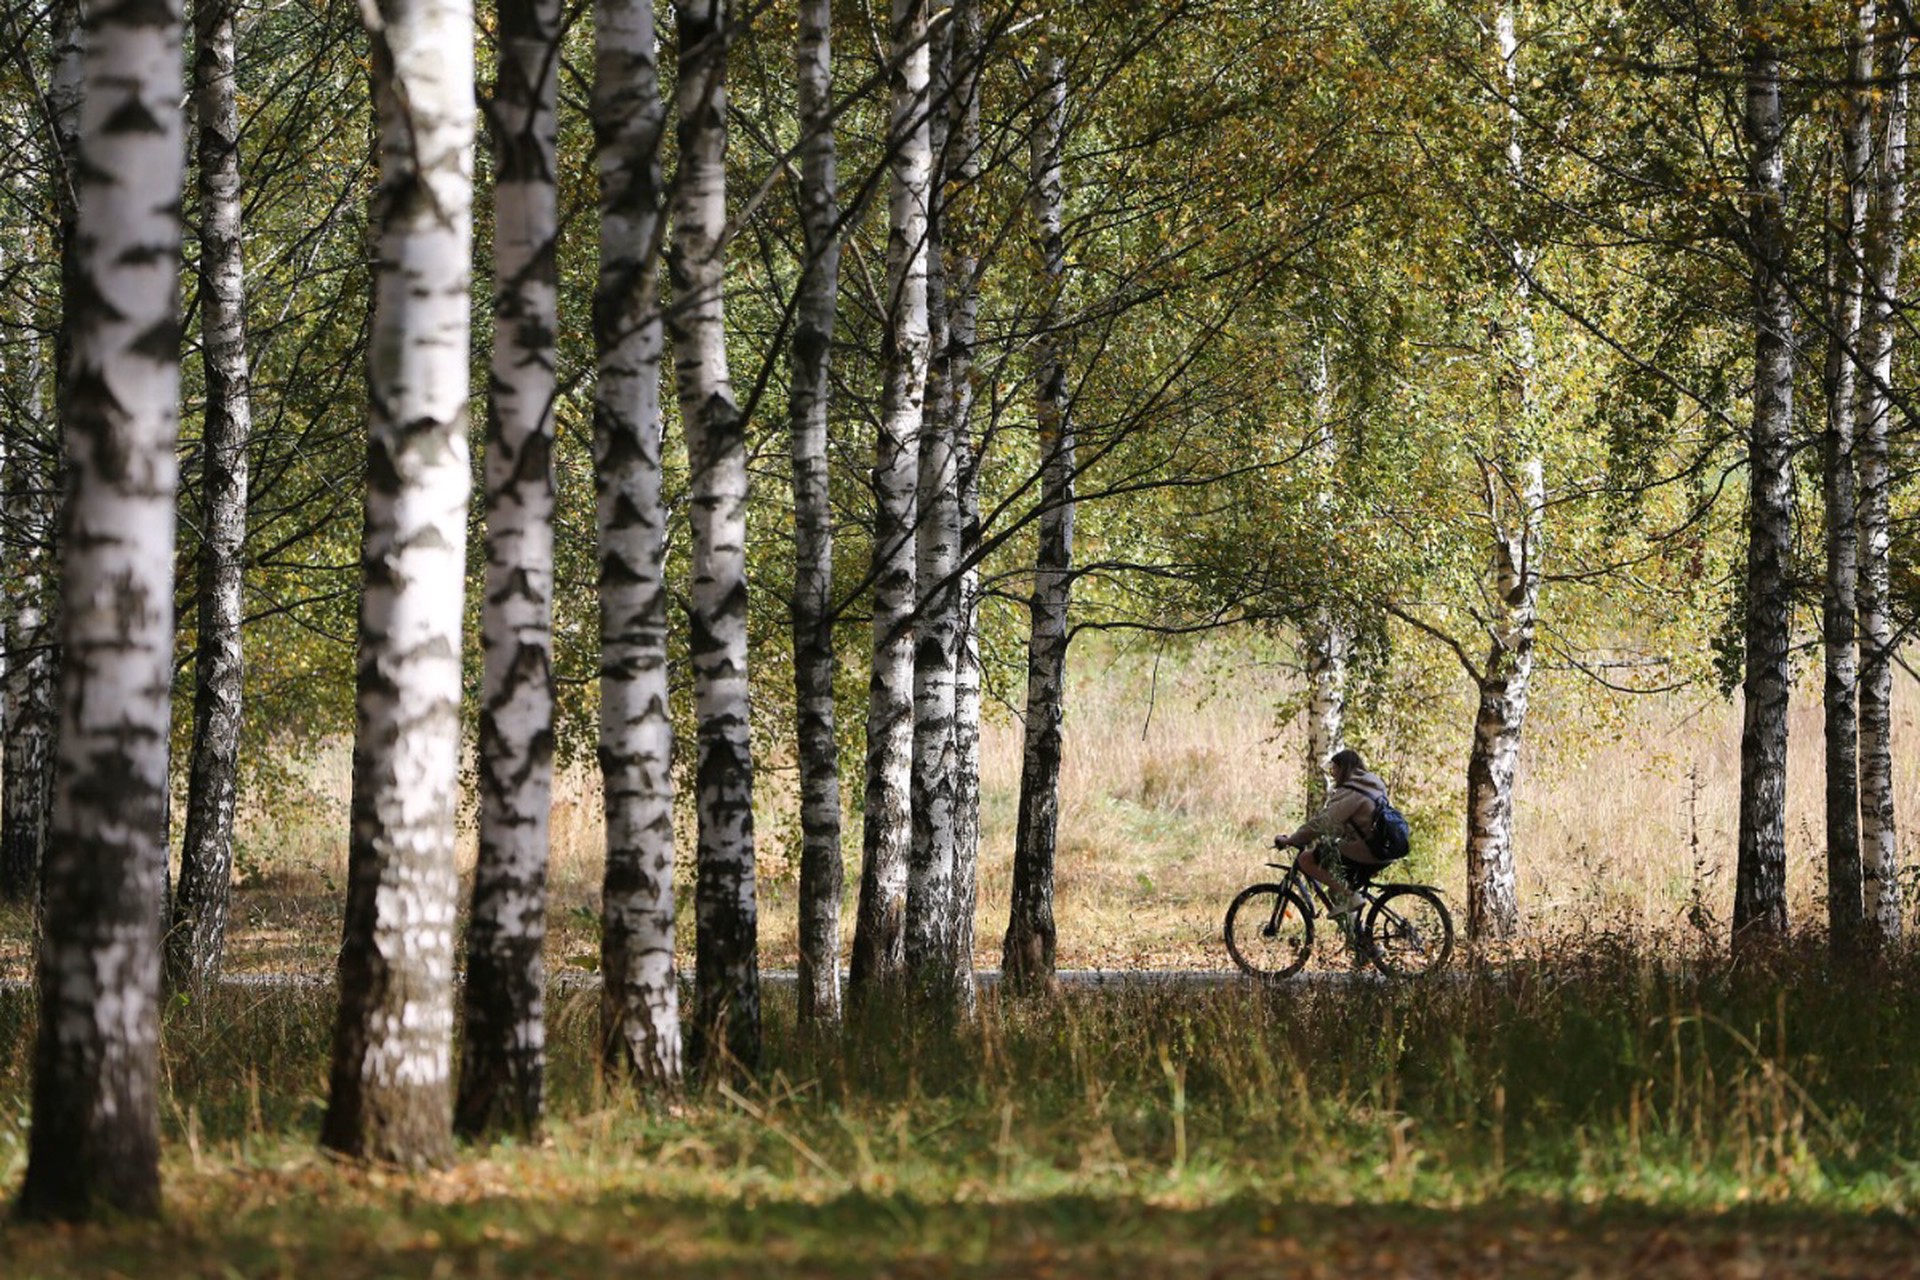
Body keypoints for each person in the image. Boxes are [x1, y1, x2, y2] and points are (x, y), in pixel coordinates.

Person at [1275, 747, 1391, 922]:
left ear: (1343, 768)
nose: (1332, 773)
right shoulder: (1373, 785)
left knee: (1306, 859)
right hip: (1383, 850)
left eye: (1334, 769)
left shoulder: (1352, 792)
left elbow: (1323, 823)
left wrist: (1293, 839)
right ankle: (1364, 944)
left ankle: (1351, 895)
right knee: (1335, 891)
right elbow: (1355, 822)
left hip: (1366, 852)